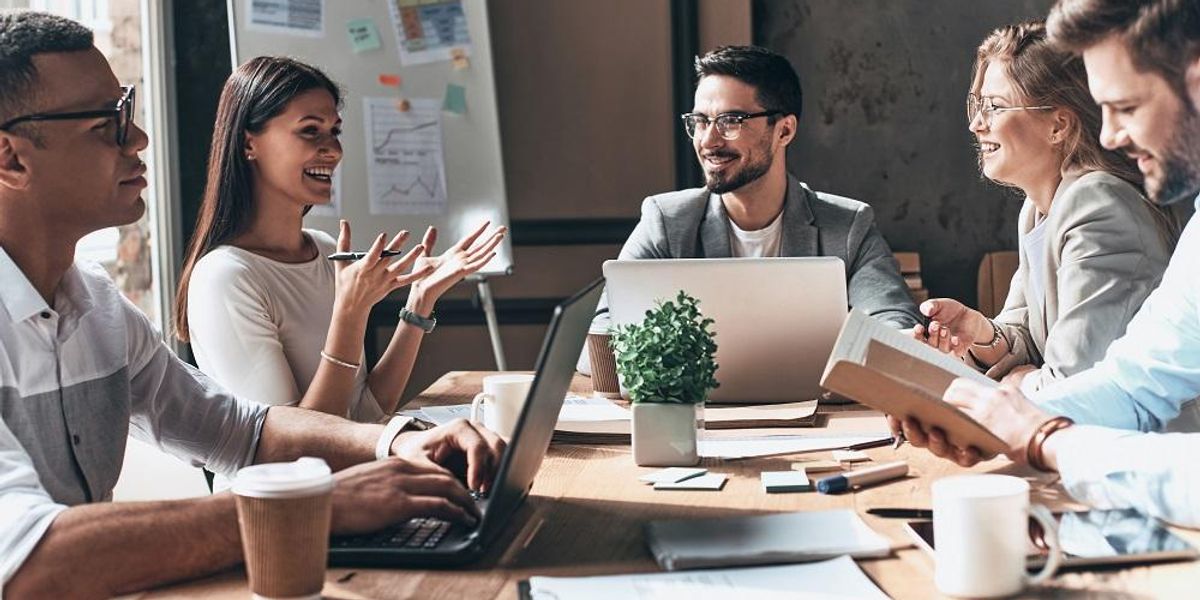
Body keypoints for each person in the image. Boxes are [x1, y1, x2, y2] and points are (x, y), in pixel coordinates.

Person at [0, 12, 504, 597]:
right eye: (106, 124)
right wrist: (318, 504)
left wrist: (397, 443)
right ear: (10, 159)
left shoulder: (99, 308)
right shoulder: (221, 275)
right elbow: (26, 559)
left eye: (129, 110)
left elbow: (241, 430)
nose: (137, 139)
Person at [896, 0, 1200, 528]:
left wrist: (1038, 432)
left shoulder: (1097, 202)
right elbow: (1131, 383)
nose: (1108, 136)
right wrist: (985, 418)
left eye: (1126, 107)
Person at [175, 56, 505, 423]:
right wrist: (350, 314)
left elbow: (364, 412)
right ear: (249, 143)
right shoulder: (225, 278)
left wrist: (420, 301)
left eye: (335, 131)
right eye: (310, 130)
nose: (332, 149)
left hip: (355, 476)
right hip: (289, 481)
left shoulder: (328, 251)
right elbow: (293, 447)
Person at [580, 46, 920, 373]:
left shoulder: (847, 226)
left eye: (730, 121)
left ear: (784, 130)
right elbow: (599, 338)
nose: (708, 141)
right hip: (701, 420)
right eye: (700, 121)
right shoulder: (666, 222)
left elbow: (896, 324)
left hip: (817, 419)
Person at [912, 21, 1178, 394]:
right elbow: (1027, 334)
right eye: (977, 104)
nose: (976, 124)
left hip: (1133, 446)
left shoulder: (1099, 207)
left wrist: (1019, 380)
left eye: (995, 107)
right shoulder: (1040, 209)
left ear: (1058, 125)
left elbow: (1073, 383)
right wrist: (980, 333)